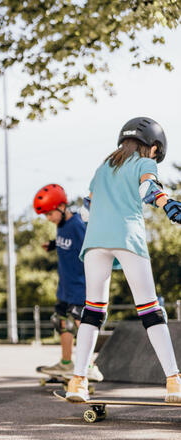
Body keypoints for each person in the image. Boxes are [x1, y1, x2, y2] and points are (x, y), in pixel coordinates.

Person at [66, 117, 181, 402]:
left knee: (91, 312)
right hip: (127, 239)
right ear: (153, 147)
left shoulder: (103, 167)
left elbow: (85, 212)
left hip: (94, 244)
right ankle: (173, 382)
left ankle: (78, 381)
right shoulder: (145, 164)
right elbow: (148, 190)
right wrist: (168, 205)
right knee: (150, 310)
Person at [33, 184, 103, 382]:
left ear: (62, 207)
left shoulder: (78, 225)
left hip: (80, 285)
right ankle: (66, 363)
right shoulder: (61, 225)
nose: (48, 219)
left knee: (82, 322)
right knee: (61, 321)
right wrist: (53, 245)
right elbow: (67, 243)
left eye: (50, 214)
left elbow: (91, 249)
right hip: (65, 286)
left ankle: (90, 366)